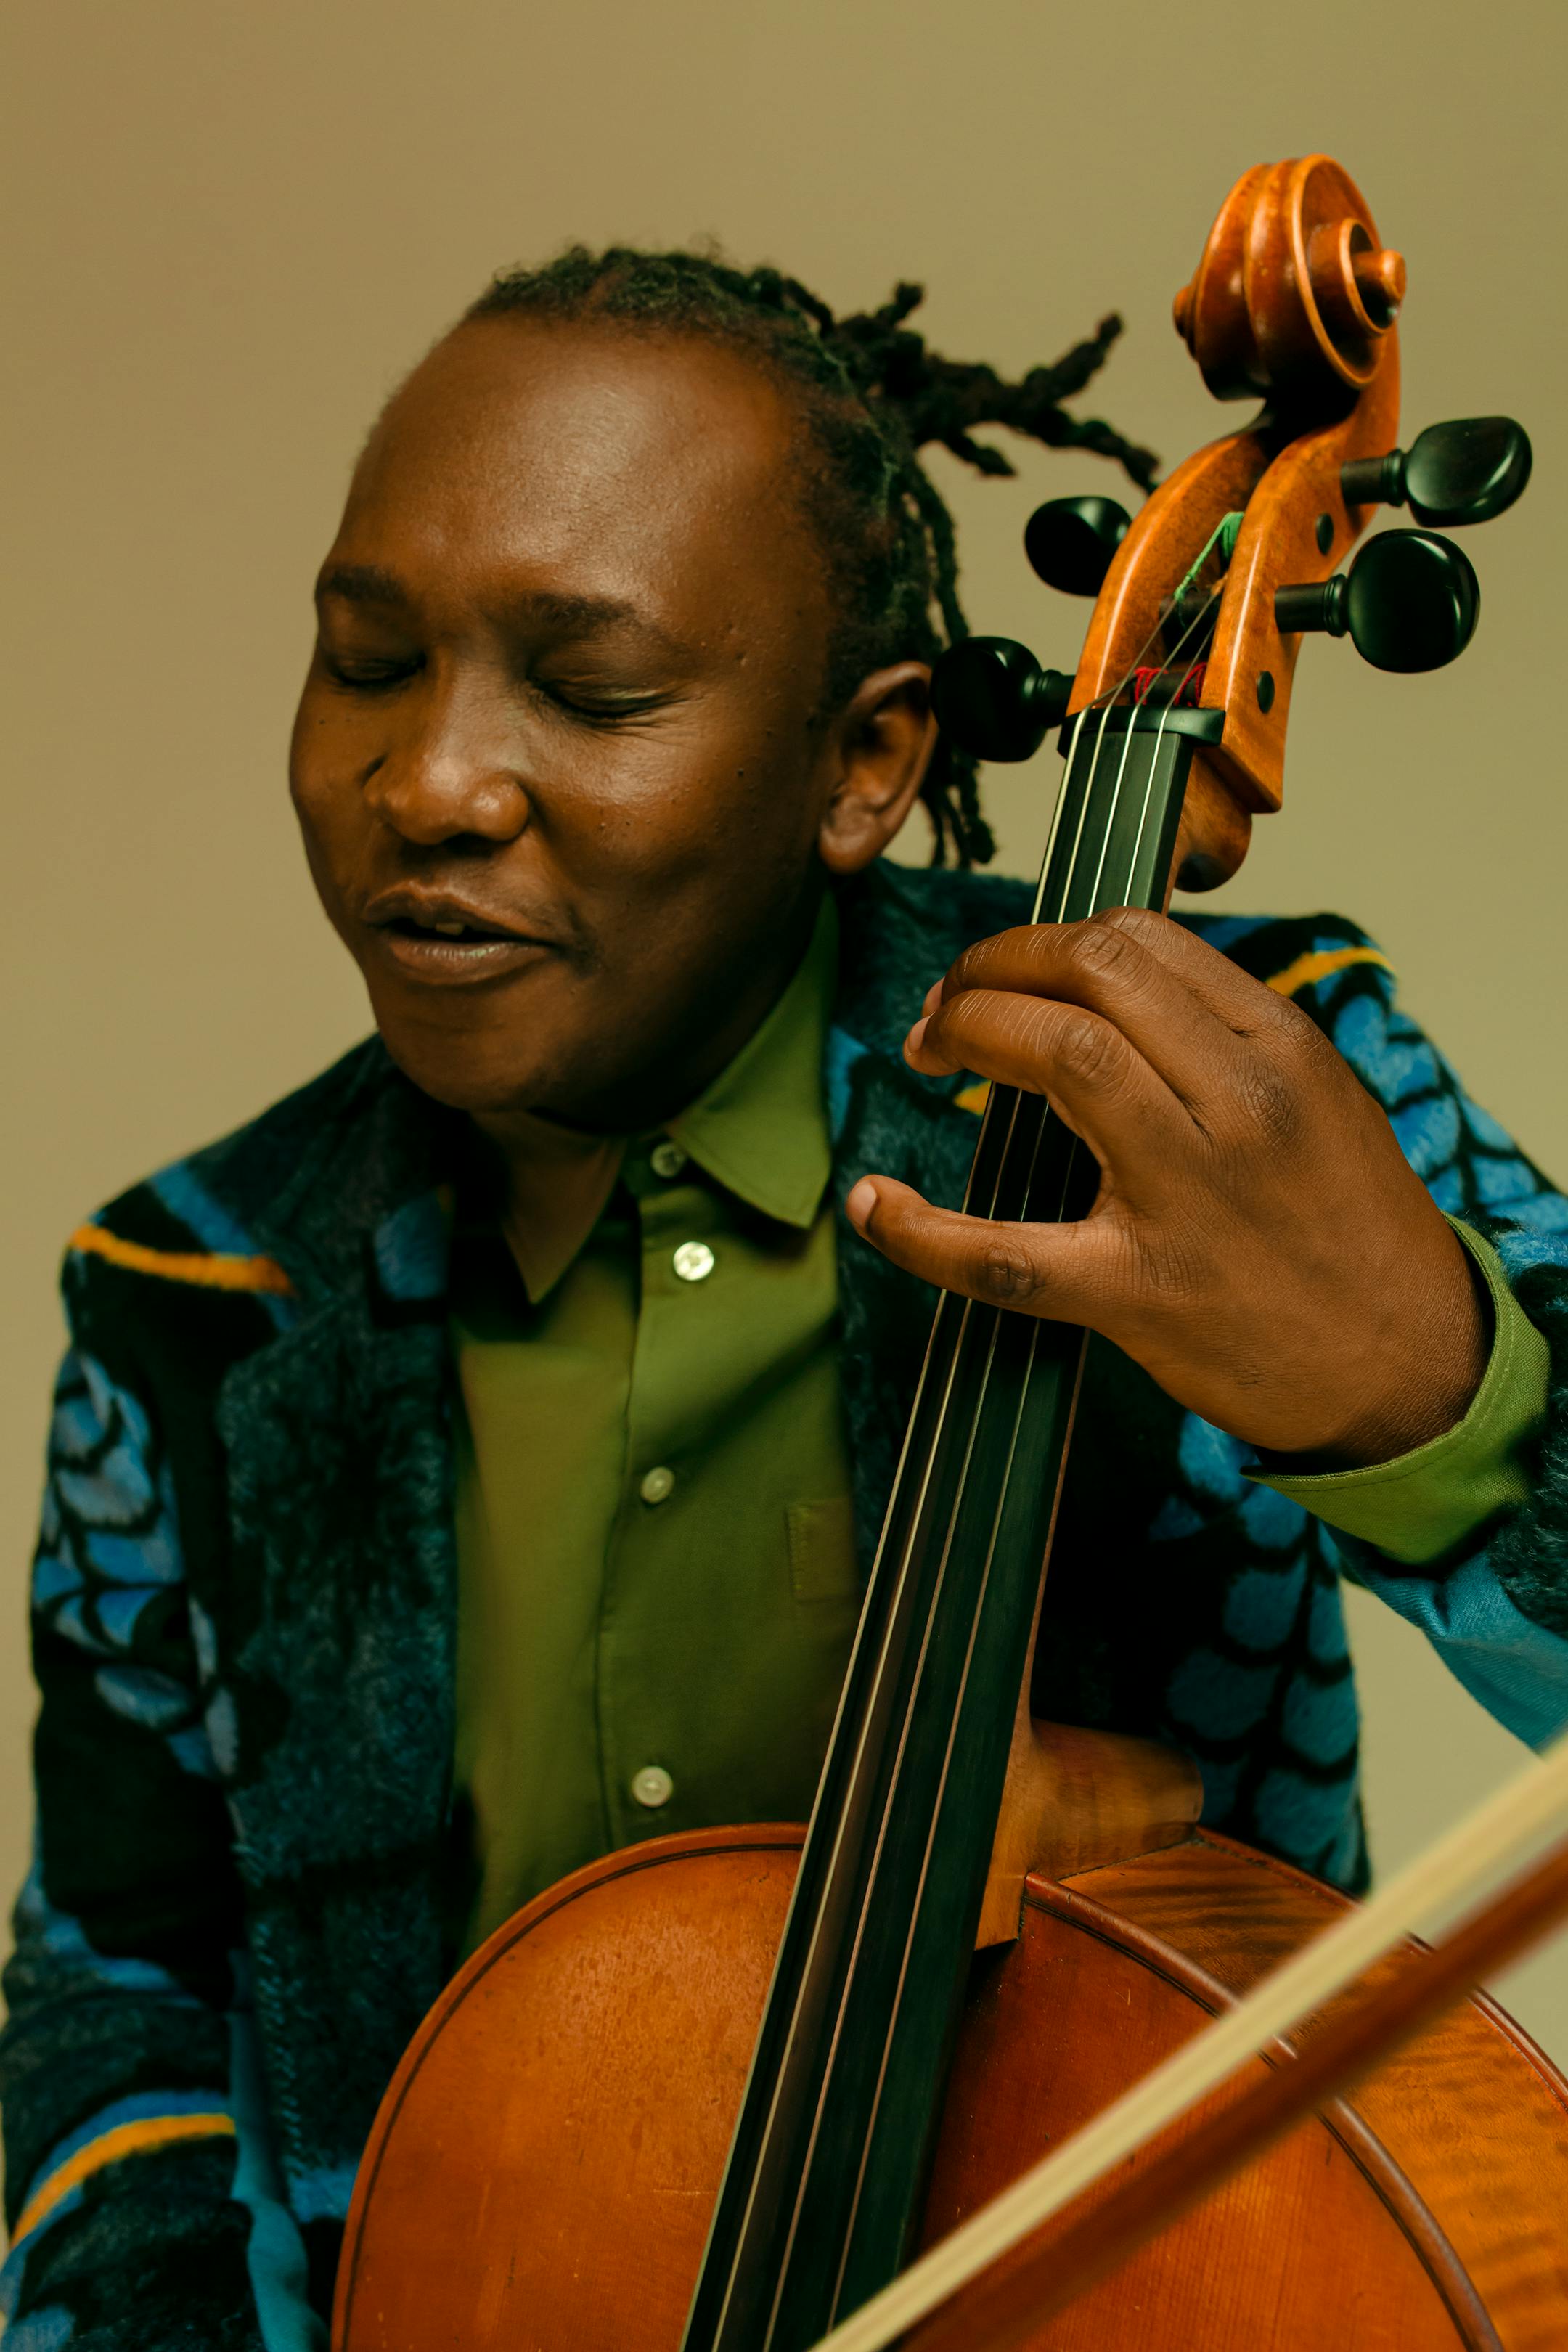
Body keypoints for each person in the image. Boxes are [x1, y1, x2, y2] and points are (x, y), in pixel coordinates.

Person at [4, 248, 1566, 2352]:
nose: (430, 783)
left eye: (590, 692)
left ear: (868, 763)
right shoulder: (189, 1293)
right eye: (368, 662)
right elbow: (115, 1997)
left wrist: (1439, 1404)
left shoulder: (1217, 1094)